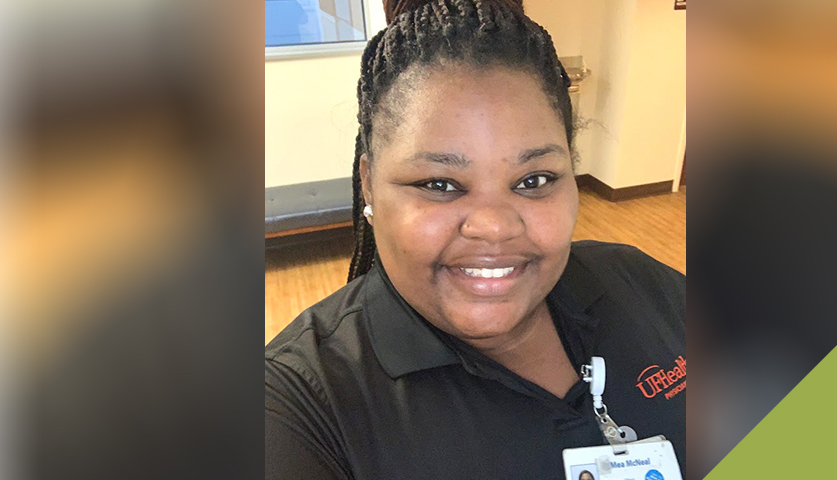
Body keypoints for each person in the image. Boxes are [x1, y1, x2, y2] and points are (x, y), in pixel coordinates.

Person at [264, 1, 686, 478]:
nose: (494, 226)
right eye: (438, 184)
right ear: (369, 183)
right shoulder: (298, 406)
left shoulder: (643, 284)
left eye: (534, 180)